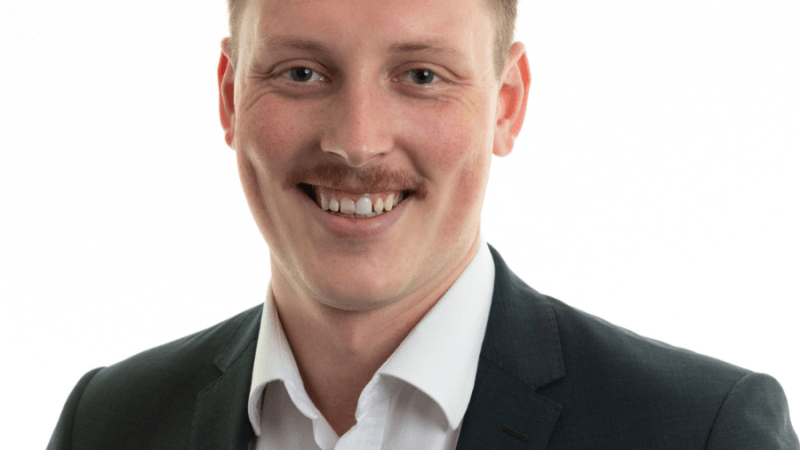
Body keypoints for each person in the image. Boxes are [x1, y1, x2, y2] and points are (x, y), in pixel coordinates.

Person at [47, 0, 798, 448]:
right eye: (302, 73)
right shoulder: (107, 425)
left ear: (506, 105)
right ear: (228, 98)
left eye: (421, 76)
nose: (357, 141)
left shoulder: (701, 432)